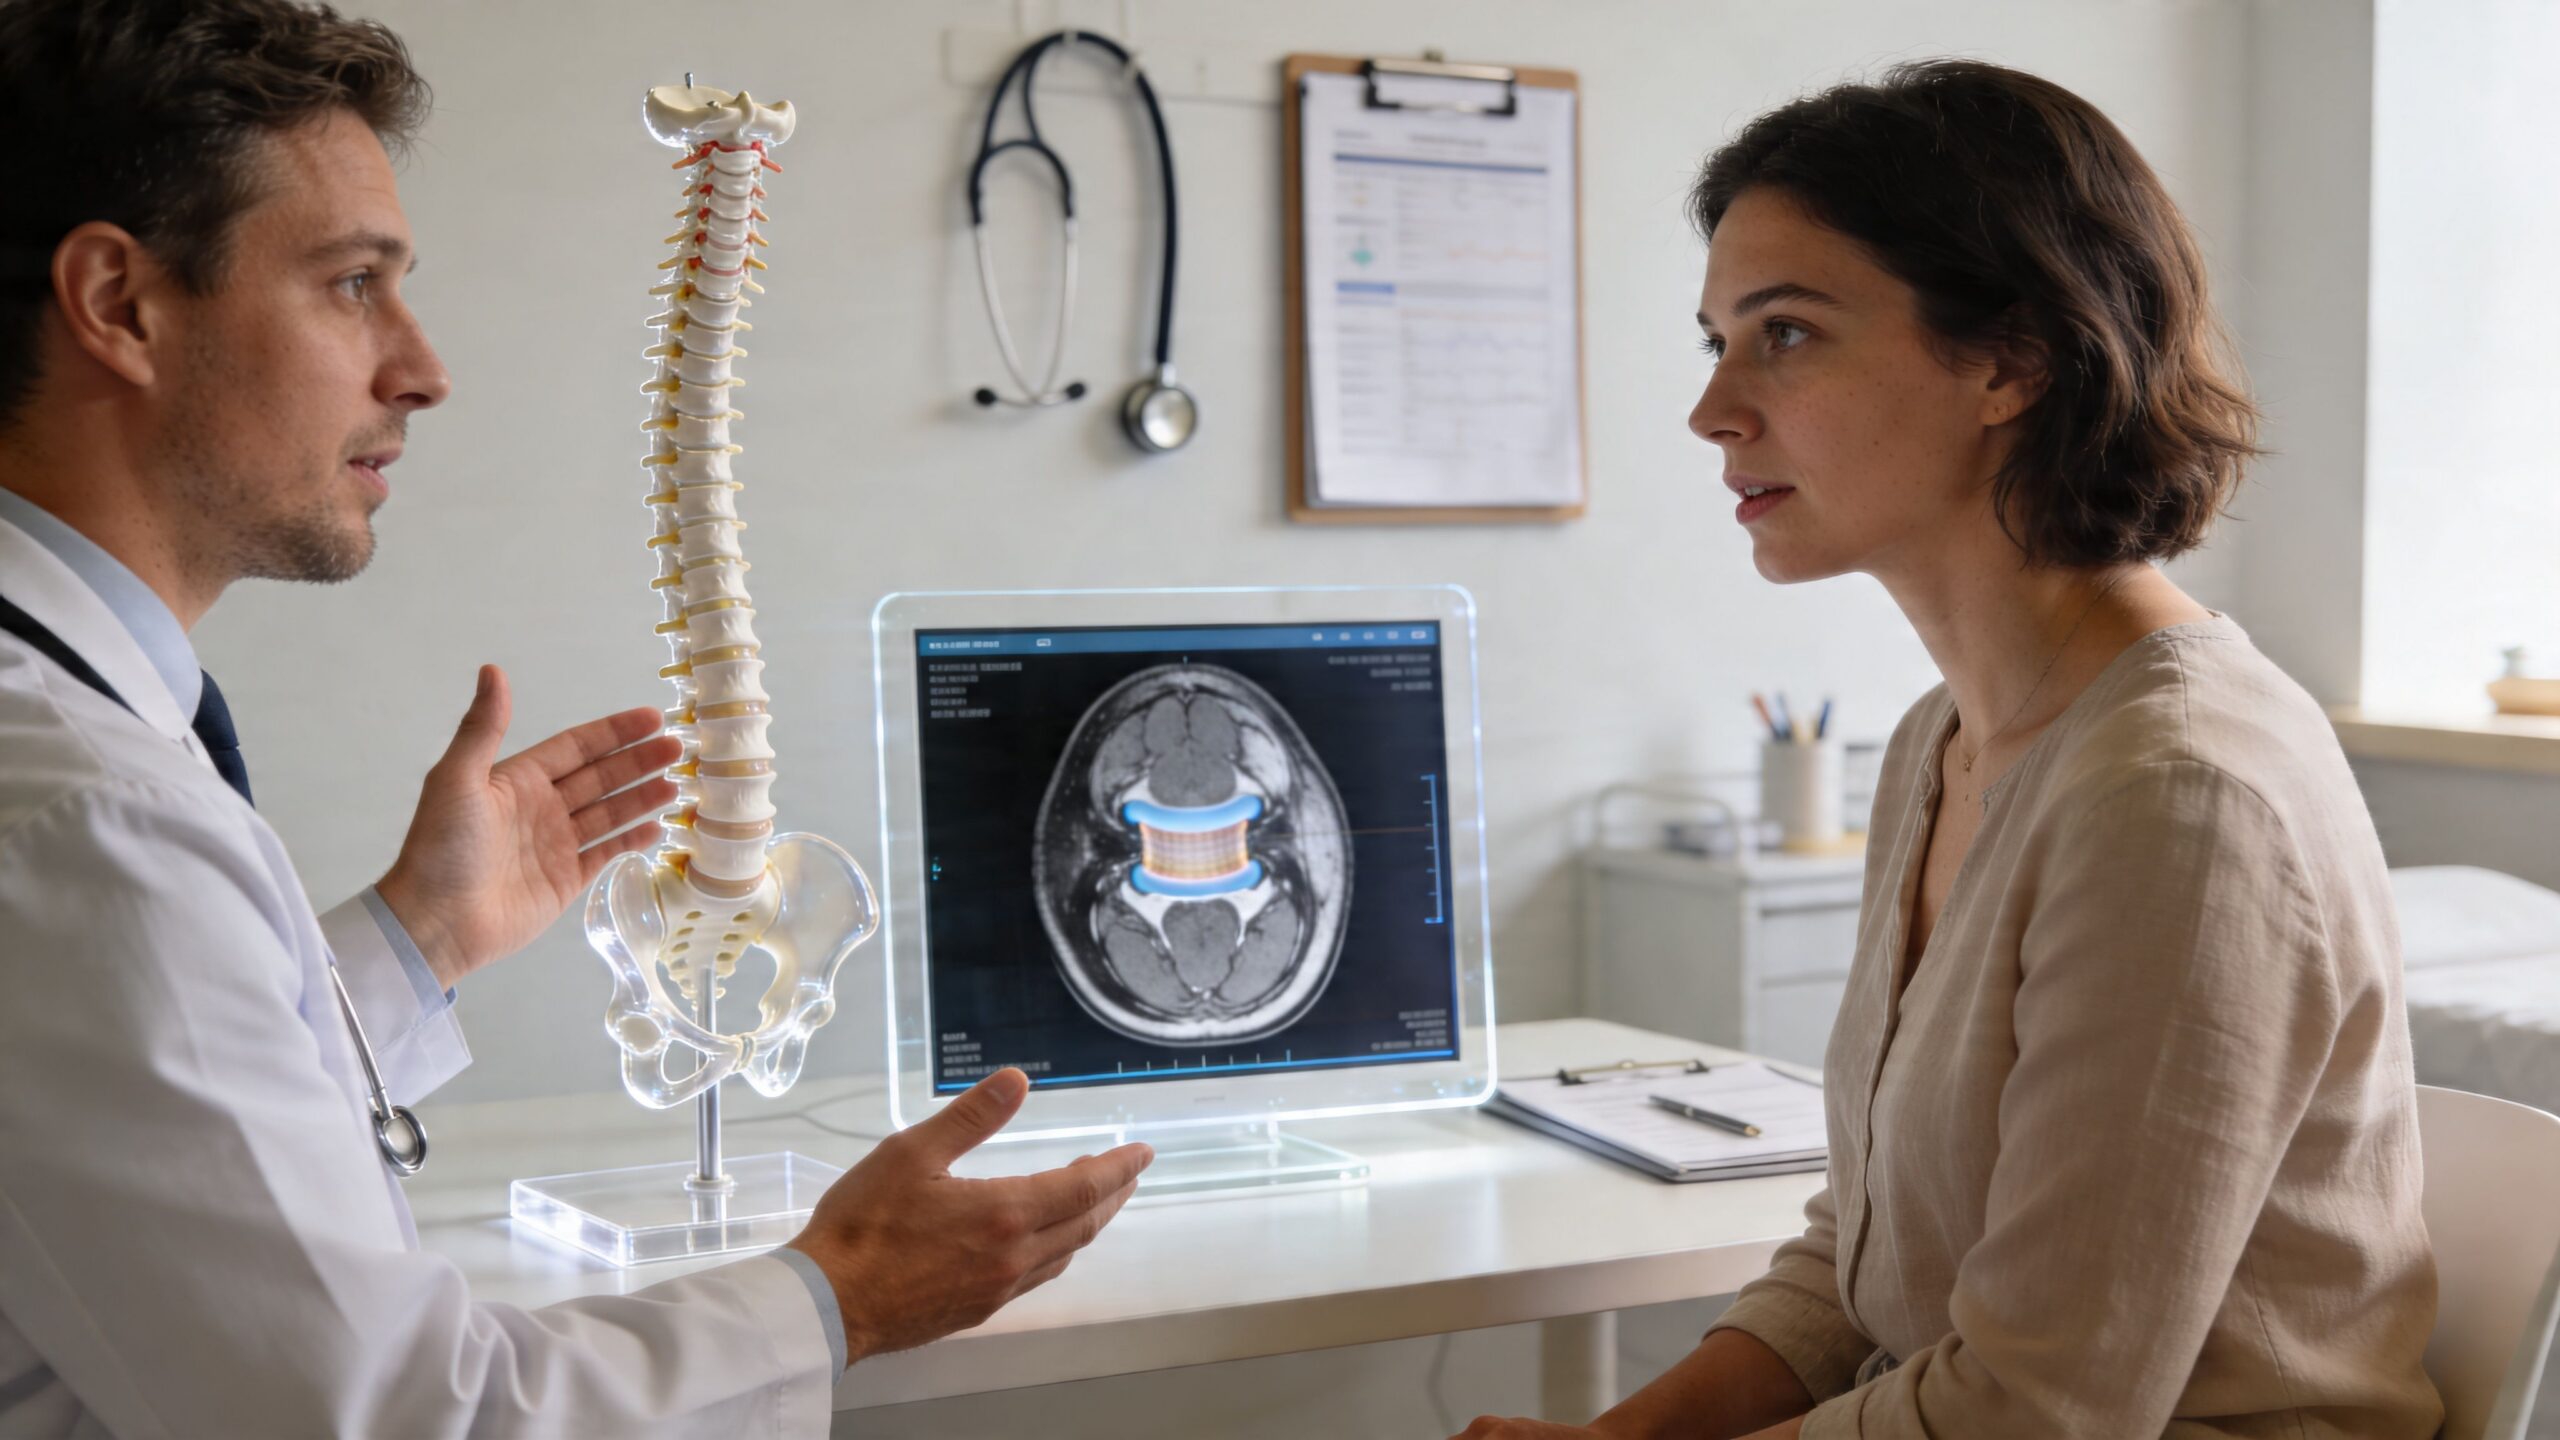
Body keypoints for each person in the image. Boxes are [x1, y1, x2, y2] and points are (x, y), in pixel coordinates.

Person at [0, 1, 1149, 1434]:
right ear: (119, 305)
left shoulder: (70, 754)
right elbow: (403, 1418)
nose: (422, 369)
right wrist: (837, 1295)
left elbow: (132, 1106)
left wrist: (420, 939)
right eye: (353, 283)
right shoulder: (84, 816)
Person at [1458, 60, 2440, 1440]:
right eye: (1716, 341)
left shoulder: (2178, 795)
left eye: (1786, 335)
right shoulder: (1944, 743)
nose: (1714, 410)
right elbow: (1863, 1265)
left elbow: (2037, 1408)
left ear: (2011, 364)